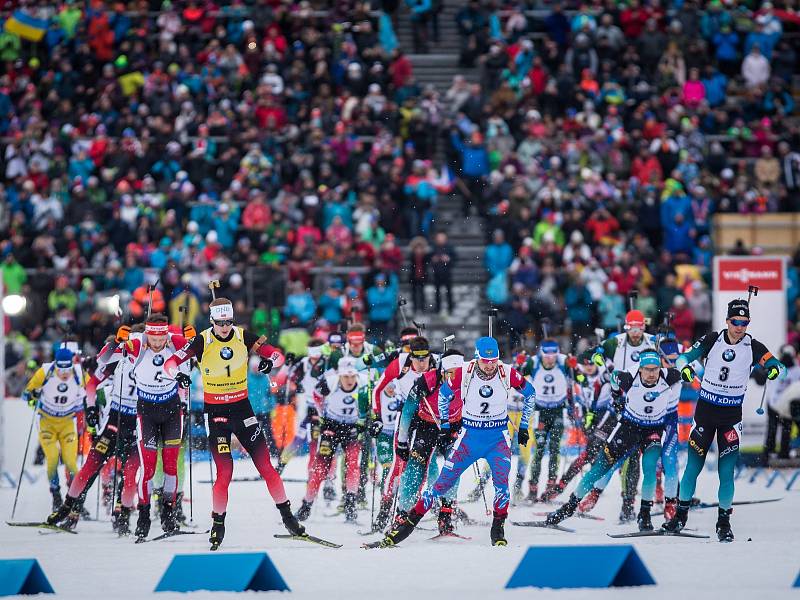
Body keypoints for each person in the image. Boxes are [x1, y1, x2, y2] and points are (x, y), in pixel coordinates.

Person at [365, 336, 535, 547]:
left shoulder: (490, 372)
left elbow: (525, 393)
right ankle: (404, 517)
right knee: (427, 475)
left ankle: (470, 521)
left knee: (477, 477)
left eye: (493, 361)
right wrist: (403, 440)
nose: (490, 366)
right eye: (485, 361)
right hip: (445, 430)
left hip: (476, 431)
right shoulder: (444, 376)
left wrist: (522, 425)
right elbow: (424, 403)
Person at [165, 297, 305, 550]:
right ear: (212, 321)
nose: (225, 327)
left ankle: (288, 517)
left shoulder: (242, 335)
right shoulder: (202, 340)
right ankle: (218, 523)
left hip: (242, 410)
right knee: (225, 473)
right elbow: (170, 363)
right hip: (216, 415)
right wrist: (179, 376)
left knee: (266, 467)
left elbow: (278, 355)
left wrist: (269, 362)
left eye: (228, 321)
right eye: (220, 322)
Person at [663, 299, 785, 541]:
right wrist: (686, 368)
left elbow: (777, 365)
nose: (739, 327)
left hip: (730, 416)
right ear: (727, 321)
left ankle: (723, 522)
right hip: (706, 412)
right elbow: (684, 358)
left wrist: (772, 369)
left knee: (726, 472)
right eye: (735, 321)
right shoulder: (712, 340)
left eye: (744, 322)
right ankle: (680, 516)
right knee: (692, 469)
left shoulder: (753, 346)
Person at [545, 349, 682, 532]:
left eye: (655, 369)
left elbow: (688, 369)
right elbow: (614, 378)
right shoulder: (628, 377)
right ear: (640, 369)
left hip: (654, 429)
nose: (651, 374)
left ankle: (644, 514)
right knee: (599, 468)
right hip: (629, 427)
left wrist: (688, 372)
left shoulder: (670, 376)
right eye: (647, 369)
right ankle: (568, 507)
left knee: (649, 468)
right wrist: (617, 397)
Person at [46, 328, 146, 532]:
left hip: (136, 425)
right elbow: (94, 372)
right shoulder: (118, 356)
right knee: (92, 469)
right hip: (110, 420)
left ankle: (122, 514)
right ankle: (70, 510)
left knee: (128, 474)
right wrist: (91, 413)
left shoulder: (154, 357)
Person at [592, 308, 656, 520]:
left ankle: (628, 504)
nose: (636, 333)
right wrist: (598, 356)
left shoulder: (653, 341)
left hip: (641, 408)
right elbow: (592, 353)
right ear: (627, 328)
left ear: (644, 327)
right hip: (617, 405)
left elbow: (675, 353)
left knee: (635, 459)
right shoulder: (616, 342)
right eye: (632, 329)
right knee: (605, 452)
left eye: (639, 329)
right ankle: (590, 492)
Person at [393, 347, 463, 536]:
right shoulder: (428, 380)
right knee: (415, 469)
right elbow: (408, 410)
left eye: (458, 374)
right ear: (442, 370)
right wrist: (402, 441)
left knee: (453, 468)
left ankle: (446, 515)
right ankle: (402, 514)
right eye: (450, 374)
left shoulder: (469, 380)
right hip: (428, 424)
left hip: (454, 425)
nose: (454, 379)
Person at [294, 357, 371, 522]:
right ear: (339, 375)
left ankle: (350, 503)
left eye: (352, 376)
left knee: (352, 465)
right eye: (346, 377)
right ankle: (306, 505)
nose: (350, 380)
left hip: (352, 427)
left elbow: (374, 400)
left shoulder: (364, 383)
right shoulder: (330, 382)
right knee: (321, 467)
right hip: (332, 426)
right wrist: (323, 416)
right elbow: (315, 396)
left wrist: (365, 420)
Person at [538, 350, 613, 504]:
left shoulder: (604, 375)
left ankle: (567, 488)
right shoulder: (579, 376)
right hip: (588, 419)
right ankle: (578, 489)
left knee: (593, 455)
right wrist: (573, 412)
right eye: (585, 365)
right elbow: (571, 393)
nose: (589, 367)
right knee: (591, 454)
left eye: (591, 364)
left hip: (604, 419)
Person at [23, 347, 87, 513]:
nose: (64, 373)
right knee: (51, 458)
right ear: (55, 365)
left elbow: (92, 387)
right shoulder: (45, 371)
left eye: (67, 369)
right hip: (47, 422)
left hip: (67, 422)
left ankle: (75, 498)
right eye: (61, 369)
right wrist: (32, 397)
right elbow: (26, 394)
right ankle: (56, 496)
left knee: (70, 461)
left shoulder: (79, 373)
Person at [521, 339, 573, 502]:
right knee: (539, 450)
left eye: (553, 355)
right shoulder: (534, 362)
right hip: (540, 412)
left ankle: (551, 486)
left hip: (558, 410)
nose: (550, 358)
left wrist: (574, 366)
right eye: (547, 355)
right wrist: (520, 364)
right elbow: (517, 375)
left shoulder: (563, 361)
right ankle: (533, 488)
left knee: (555, 448)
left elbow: (580, 377)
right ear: (541, 354)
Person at [764, 345, 800, 461]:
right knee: (780, 428)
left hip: (784, 404)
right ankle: (774, 452)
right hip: (780, 404)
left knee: (781, 428)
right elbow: (771, 387)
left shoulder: (795, 370)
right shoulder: (794, 370)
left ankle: (777, 452)